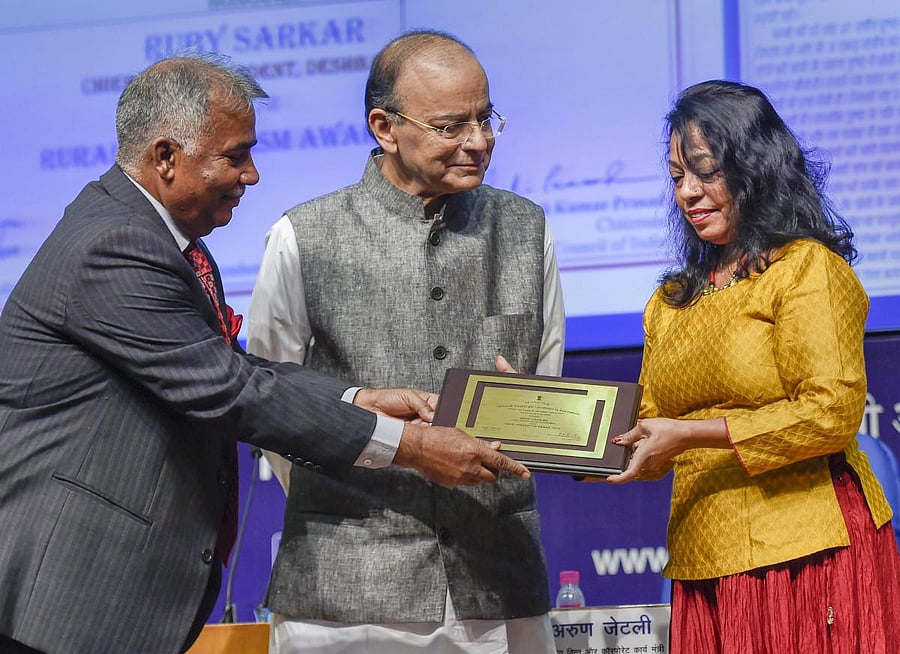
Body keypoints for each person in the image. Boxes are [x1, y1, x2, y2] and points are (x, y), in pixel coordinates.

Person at [0, 53, 531, 654]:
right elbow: (231, 392)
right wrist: (407, 446)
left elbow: (237, 370)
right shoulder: (116, 246)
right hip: (66, 596)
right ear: (166, 158)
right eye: (235, 156)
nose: (251, 175)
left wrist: (358, 397)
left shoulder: (157, 238)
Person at [247, 30, 565, 654]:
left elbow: (548, 395)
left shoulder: (527, 230)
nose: (478, 141)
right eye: (451, 126)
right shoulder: (304, 236)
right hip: (346, 595)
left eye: (485, 118)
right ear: (384, 127)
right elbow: (272, 410)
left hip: (497, 585)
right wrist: (362, 479)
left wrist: (526, 412)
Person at [607, 80, 900, 652]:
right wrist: (539, 415)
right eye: (676, 177)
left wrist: (690, 433)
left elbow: (830, 415)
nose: (688, 192)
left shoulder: (805, 270)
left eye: (705, 170)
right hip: (703, 559)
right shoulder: (670, 300)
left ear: (754, 167)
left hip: (807, 551)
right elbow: (639, 437)